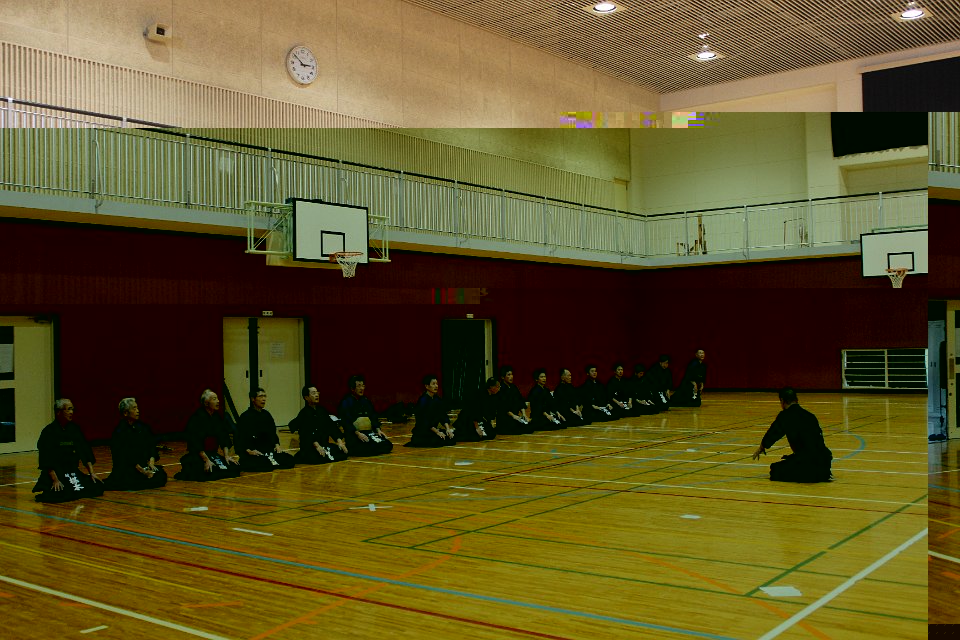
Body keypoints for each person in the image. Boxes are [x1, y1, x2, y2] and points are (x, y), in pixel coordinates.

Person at [752, 388, 833, 483]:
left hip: (808, 464)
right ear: (796, 399)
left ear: (782, 401)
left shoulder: (785, 416)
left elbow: (773, 433)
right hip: (824, 464)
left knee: (775, 470)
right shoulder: (810, 416)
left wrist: (762, 446)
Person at [32, 399, 104, 503]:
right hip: (56, 473)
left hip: (72, 472)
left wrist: (92, 473)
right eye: (68, 409)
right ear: (58, 412)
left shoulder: (75, 429)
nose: (71, 412)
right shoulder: (48, 432)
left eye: (72, 409)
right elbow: (46, 459)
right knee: (60, 493)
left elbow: (85, 451)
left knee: (98, 486)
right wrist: (55, 480)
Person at [175, 389, 241, 481]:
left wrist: (226, 456)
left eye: (217, 398)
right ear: (206, 403)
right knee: (209, 471)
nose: (218, 401)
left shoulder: (217, 417)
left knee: (235, 468)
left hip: (212, 454)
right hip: (199, 455)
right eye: (214, 399)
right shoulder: (197, 418)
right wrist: (206, 460)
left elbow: (224, 437)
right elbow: (196, 442)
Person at [103, 397, 167, 491]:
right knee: (133, 481)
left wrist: (151, 463)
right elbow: (126, 457)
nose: (138, 411)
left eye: (137, 408)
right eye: (134, 408)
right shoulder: (119, 432)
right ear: (125, 413)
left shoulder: (142, 427)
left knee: (161, 475)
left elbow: (151, 445)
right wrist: (143, 472)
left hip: (142, 465)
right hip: (128, 468)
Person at [237, 388, 296, 471]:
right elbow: (240, 437)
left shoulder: (267, 415)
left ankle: (270, 461)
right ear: (253, 399)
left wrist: (277, 445)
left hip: (268, 452)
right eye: (261, 396)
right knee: (264, 464)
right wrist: (249, 451)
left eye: (265, 396)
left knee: (290, 460)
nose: (264, 399)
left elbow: (273, 433)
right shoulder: (245, 417)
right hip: (253, 453)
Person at [337, 374, 393, 456]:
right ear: (352, 388)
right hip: (355, 435)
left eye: (363, 386)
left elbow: (373, 417)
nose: (362, 388)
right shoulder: (346, 402)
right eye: (359, 386)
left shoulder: (366, 401)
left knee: (387, 445)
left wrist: (378, 430)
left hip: (368, 433)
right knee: (367, 448)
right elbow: (346, 422)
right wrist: (357, 433)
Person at [291, 385, 348, 464]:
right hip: (310, 446)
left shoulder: (322, 410)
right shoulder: (304, 414)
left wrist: (340, 442)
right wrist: (317, 446)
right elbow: (306, 433)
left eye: (317, 392)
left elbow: (332, 427)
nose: (317, 395)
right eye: (313, 393)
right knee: (316, 458)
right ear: (306, 397)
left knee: (342, 453)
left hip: (324, 444)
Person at [407, 374, 456, 447]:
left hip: (433, 431)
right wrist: (437, 432)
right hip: (423, 432)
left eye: (437, 384)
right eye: (433, 384)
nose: (436, 386)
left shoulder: (437, 399)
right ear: (427, 386)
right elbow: (425, 421)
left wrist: (448, 429)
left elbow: (443, 415)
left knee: (451, 437)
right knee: (438, 440)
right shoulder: (422, 401)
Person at [453, 377, 499, 441]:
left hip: (480, 419)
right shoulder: (479, 395)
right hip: (469, 419)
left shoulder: (491, 396)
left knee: (491, 434)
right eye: (497, 387)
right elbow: (473, 411)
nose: (498, 389)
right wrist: (477, 427)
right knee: (477, 436)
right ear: (491, 387)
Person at [496, 365, 532, 435]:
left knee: (530, 426)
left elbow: (520, 401)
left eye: (512, 374)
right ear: (503, 377)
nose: (511, 377)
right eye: (508, 375)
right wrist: (513, 416)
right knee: (519, 429)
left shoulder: (514, 387)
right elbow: (503, 407)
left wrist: (524, 415)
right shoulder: (500, 389)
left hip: (516, 417)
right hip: (505, 418)